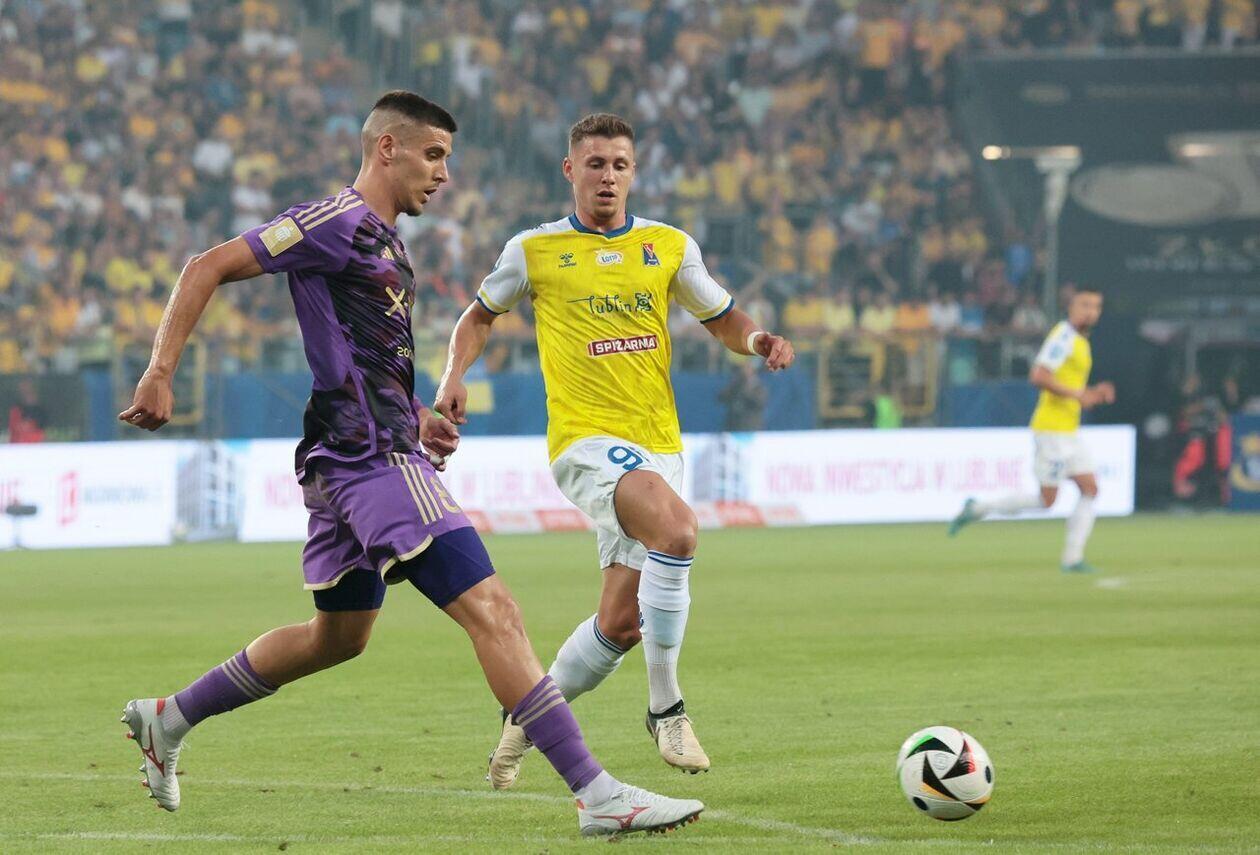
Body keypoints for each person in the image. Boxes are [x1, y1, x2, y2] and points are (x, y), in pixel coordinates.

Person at [116, 91, 702, 837]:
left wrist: (418, 411)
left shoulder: (385, 241)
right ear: (386, 148)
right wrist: (160, 370)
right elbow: (206, 266)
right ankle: (597, 793)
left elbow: (361, 353)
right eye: (433, 155)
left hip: (350, 452)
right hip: (370, 459)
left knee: (338, 637)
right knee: (495, 611)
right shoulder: (334, 222)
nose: (444, 173)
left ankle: (168, 717)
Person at [434, 113, 795, 788]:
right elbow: (478, 315)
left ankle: (526, 716)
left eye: (619, 165)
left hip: (659, 445)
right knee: (678, 531)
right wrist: (453, 376)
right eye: (595, 164)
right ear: (570, 170)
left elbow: (722, 317)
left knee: (621, 623)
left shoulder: (668, 246)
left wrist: (758, 340)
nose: (607, 176)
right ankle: (666, 708)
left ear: (634, 172)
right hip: (586, 442)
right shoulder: (534, 249)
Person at [948, 287, 1115, 572]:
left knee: (1090, 488)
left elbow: (1068, 384)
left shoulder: (1080, 341)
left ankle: (1072, 559)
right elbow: (1038, 375)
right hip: (1051, 431)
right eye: (1085, 305)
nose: (1091, 312)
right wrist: (1079, 394)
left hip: (1069, 431)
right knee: (1047, 500)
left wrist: (1092, 392)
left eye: (1096, 306)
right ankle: (977, 509)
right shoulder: (1063, 337)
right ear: (1071, 307)